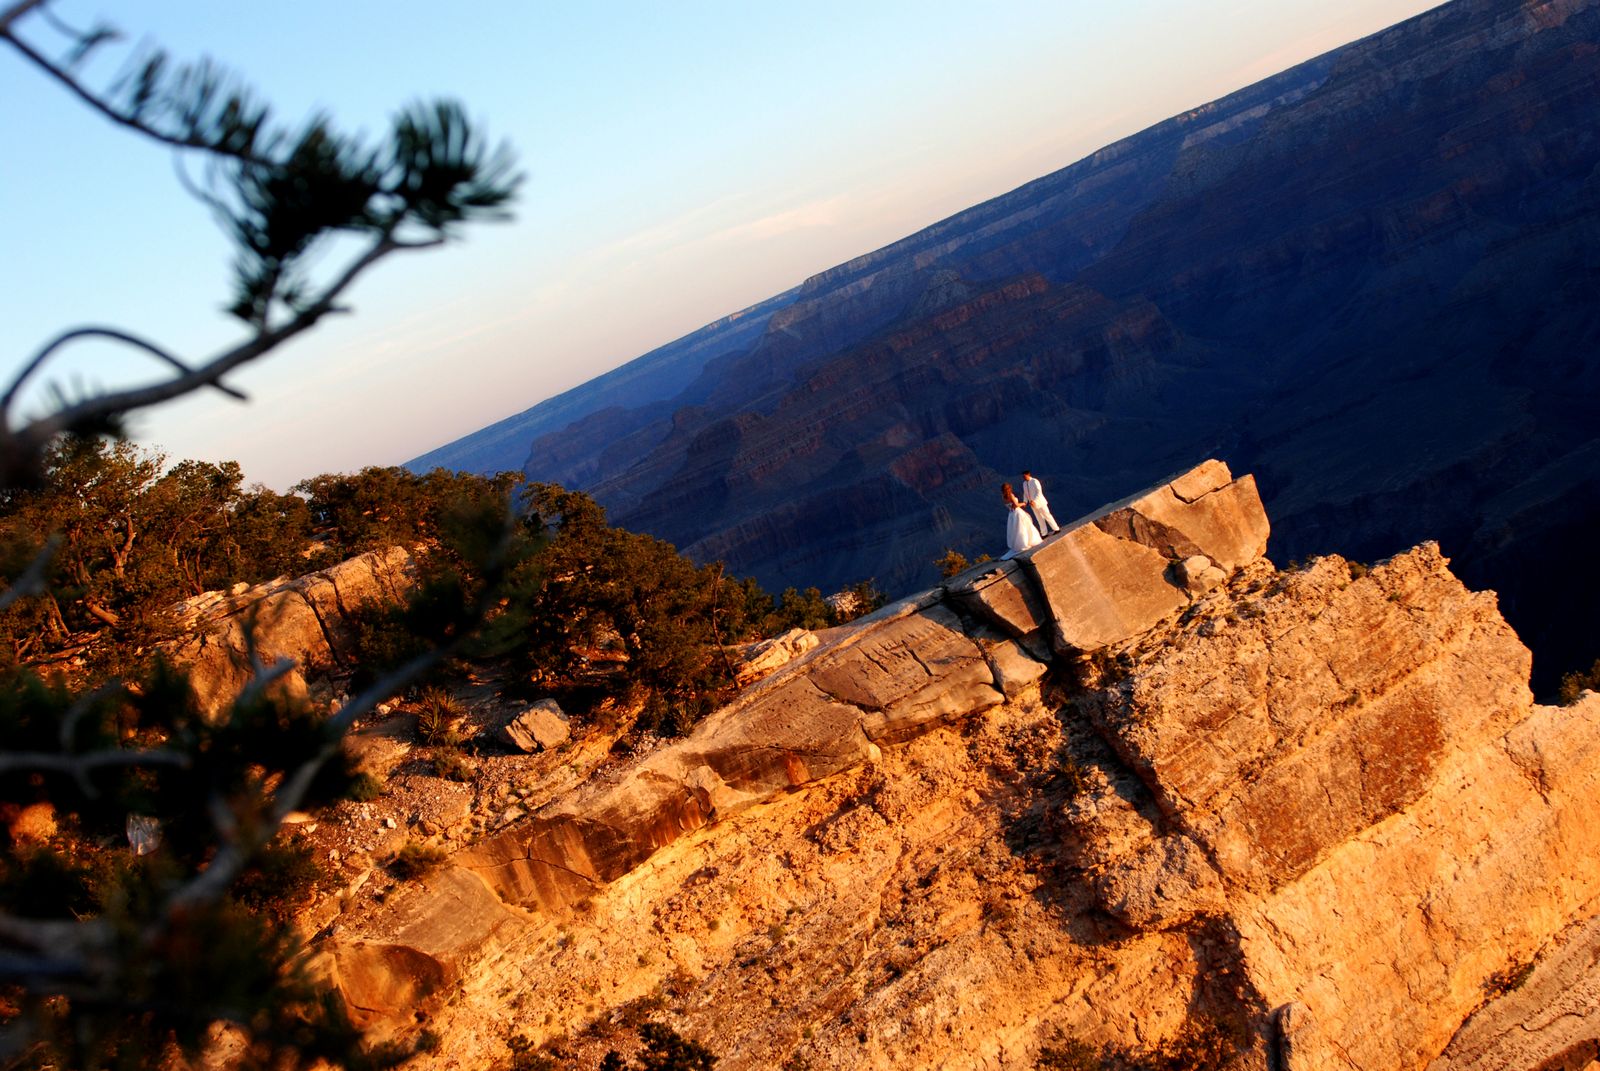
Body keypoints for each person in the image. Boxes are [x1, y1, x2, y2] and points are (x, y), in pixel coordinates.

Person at [1002, 482, 1042, 558]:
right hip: (1017, 512)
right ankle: (1026, 542)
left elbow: (1009, 506)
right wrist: (1023, 503)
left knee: (1016, 529)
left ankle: (1020, 544)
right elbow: (1016, 505)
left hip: (1011, 514)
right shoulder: (1011, 495)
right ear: (1009, 488)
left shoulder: (1003, 497)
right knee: (1024, 527)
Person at [1021, 469, 1060, 534]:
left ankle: (1056, 529)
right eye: (1023, 476)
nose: (1023, 477)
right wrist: (1025, 501)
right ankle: (1044, 533)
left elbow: (1039, 492)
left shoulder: (1035, 481)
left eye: (1024, 476)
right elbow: (1025, 493)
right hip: (1033, 505)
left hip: (1040, 503)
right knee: (1039, 519)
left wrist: (1034, 501)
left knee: (1047, 515)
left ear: (1028, 475)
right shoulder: (1024, 484)